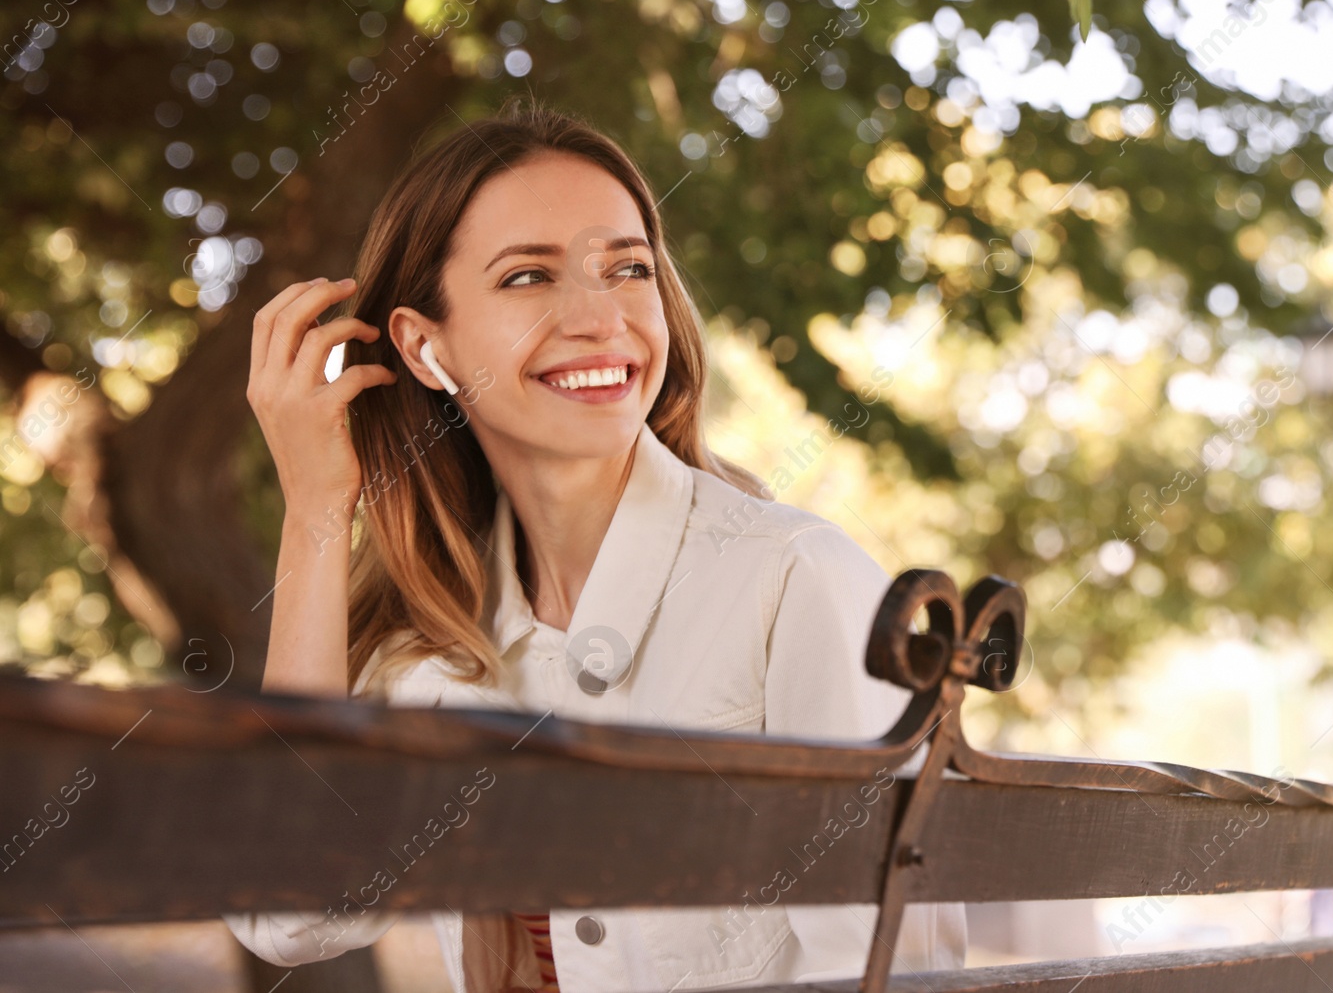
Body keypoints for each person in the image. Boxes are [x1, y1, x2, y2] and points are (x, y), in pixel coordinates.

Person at [226, 95, 966, 993]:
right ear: (425, 349)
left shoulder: (791, 578)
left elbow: (891, 971)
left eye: (627, 268)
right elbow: (288, 913)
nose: (600, 317)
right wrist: (314, 510)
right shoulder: (431, 646)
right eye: (528, 277)